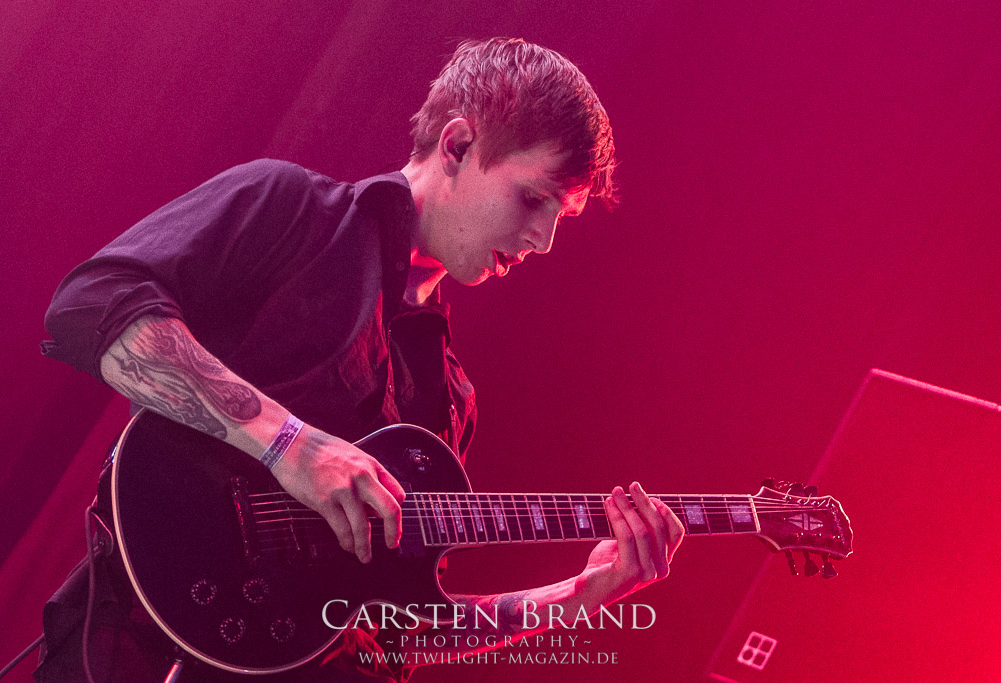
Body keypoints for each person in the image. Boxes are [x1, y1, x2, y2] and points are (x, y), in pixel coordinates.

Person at [37, 37, 684, 682]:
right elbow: (91, 304)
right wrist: (288, 444)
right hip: (137, 652)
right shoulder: (292, 209)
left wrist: (581, 596)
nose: (542, 241)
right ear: (458, 145)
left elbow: (391, 632)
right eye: (533, 198)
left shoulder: (448, 399)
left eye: (561, 216)